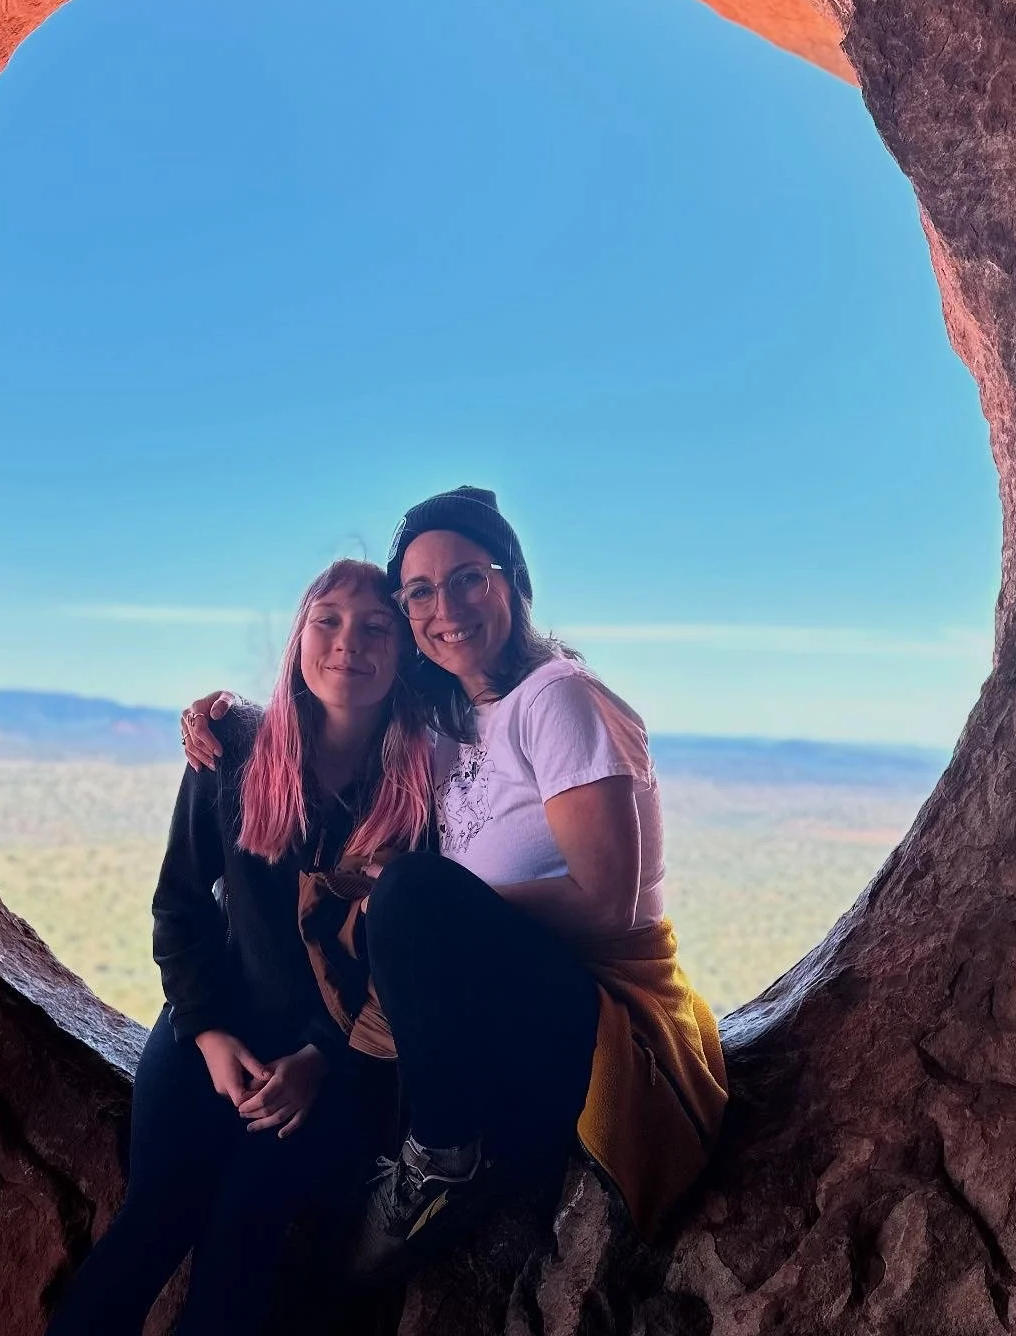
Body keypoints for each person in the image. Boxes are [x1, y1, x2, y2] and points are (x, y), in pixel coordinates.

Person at [0, 560, 429, 1336]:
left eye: (376, 624)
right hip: (208, 1037)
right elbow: (179, 910)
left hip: (328, 1068)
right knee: (148, 1233)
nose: (349, 641)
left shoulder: (424, 779)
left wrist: (322, 1063)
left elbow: (412, 964)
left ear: (403, 651)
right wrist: (213, 1039)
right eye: (329, 619)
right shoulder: (234, 753)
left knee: (240, 1269)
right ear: (298, 635)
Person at [183, 487, 729, 1282]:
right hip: (501, 1010)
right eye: (421, 592)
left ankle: (442, 1158)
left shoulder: (557, 700)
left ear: (512, 581)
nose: (448, 606)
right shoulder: (451, 722)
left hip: (595, 1012)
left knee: (406, 892)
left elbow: (609, 904)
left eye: (470, 577)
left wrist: (427, 908)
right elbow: (336, 705)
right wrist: (228, 718)